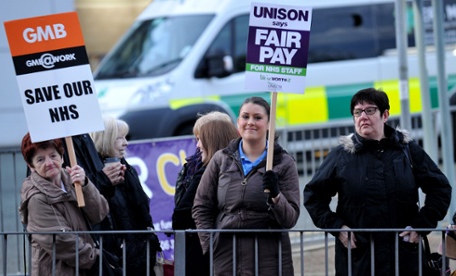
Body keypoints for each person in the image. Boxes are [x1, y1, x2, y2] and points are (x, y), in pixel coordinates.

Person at [303, 88, 452, 276]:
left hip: (404, 258)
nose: (363, 116)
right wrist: (337, 227)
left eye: (370, 110)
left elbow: (440, 188)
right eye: (357, 112)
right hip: (359, 261)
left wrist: (421, 226)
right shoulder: (340, 156)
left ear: (385, 115)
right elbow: (313, 195)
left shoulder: (407, 151)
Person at [192, 96, 300, 276]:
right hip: (227, 256)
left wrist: (276, 197)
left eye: (257, 118)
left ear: (269, 124)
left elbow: (290, 219)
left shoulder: (284, 162)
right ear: (238, 122)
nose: (250, 122)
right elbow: (201, 206)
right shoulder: (221, 159)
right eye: (245, 116)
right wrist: (211, 244)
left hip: (269, 258)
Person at [19, 133, 109, 275]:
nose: (49, 163)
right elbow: (62, 241)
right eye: (40, 159)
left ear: (61, 156)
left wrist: (86, 185)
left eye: (53, 156)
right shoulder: (36, 198)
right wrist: (96, 258)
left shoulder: (72, 178)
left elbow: (100, 213)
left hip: (83, 267)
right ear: (31, 166)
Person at [90, 116, 161, 276]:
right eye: (119, 138)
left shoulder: (127, 169)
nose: (125, 143)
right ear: (105, 139)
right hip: (118, 258)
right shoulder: (95, 176)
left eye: (125, 137)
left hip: (139, 253)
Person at [172, 112, 239, 276]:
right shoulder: (200, 170)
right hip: (209, 253)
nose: (197, 145)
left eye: (201, 139)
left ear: (213, 141)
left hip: (208, 255)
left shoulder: (207, 173)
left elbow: (181, 216)